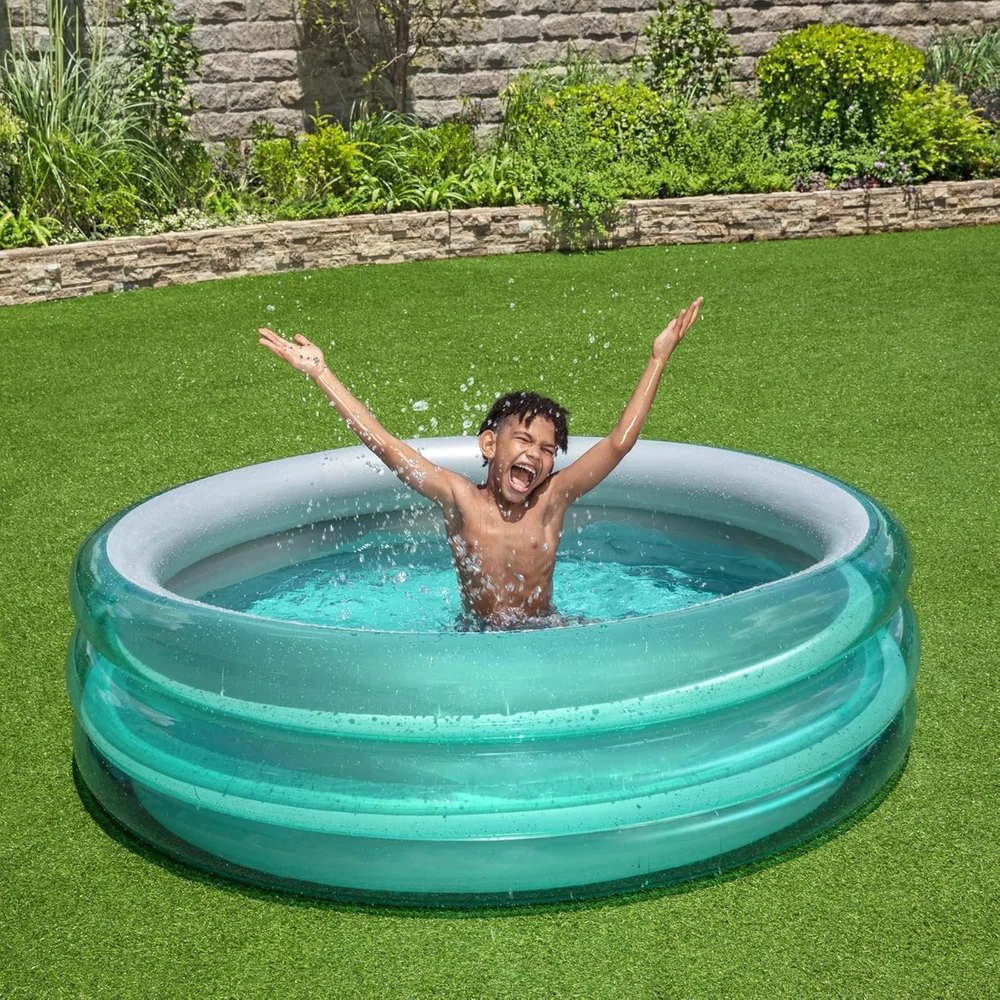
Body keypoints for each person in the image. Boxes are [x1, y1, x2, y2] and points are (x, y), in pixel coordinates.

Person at [258, 296, 701, 629]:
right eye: (523, 440)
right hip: (477, 634)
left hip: (545, 628)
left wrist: (657, 358)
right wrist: (322, 374)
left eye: (547, 450)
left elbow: (618, 444)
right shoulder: (460, 499)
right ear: (490, 444)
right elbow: (387, 446)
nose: (535, 455)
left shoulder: (552, 500)